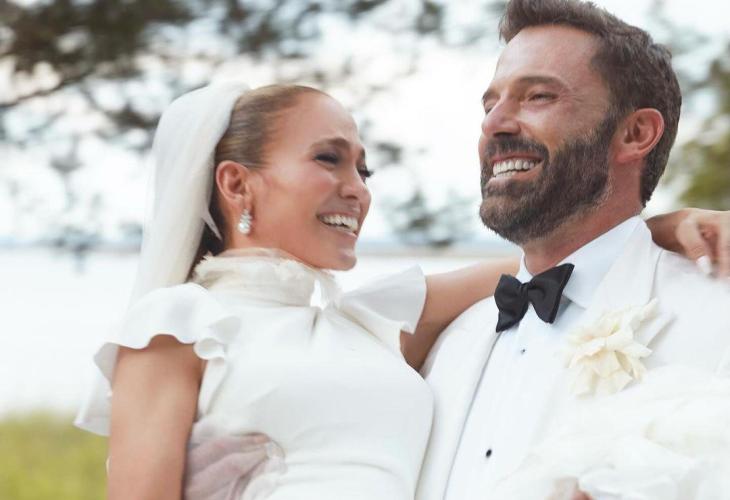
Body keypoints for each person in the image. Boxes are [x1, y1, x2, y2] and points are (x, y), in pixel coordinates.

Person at [74, 82, 727, 500]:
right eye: (328, 158)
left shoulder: (365, 323)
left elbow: (545, 267)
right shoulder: (177, 322)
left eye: (363, 168)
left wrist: (660, 228)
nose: (357, 189)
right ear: (237, 184)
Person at [417, 1, 730, 500]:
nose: (494, 124)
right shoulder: (449, 344)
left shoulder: (717, 317)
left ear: (635, 134)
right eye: (489, 104)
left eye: (538, 96)